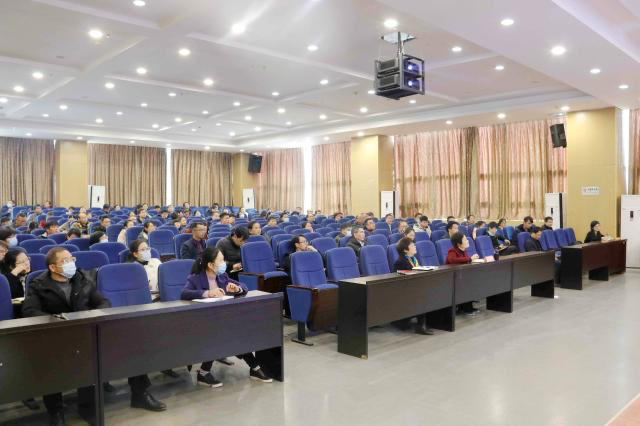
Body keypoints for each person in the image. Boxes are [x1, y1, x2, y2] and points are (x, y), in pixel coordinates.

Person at [23, 247, 166, 425]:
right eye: (65, 261)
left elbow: (103, 301)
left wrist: (94, 314)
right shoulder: (39, 285)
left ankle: (140, 394)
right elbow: (29, 310)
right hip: (58, 335)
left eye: (71, 259)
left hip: (88, 330)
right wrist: (56, 320)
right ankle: (56, 411)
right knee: (49, 362)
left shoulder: (82, 279)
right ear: (52, 267)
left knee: (132, 344)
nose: (71, 263)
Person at [181, 247, 272, 387]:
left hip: (222, 319)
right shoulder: (195, 278)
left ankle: (254, 368)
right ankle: (205, 373)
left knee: (236, 332)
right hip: (202, 320)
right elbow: (185, 293)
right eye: (221, 260)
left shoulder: (222, 277)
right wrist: (208, 293)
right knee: (220, 334)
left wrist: (237, 289)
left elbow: (244, 287)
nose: (224, 263)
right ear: (210, 264)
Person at [393, 237, 433, 335]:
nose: (415, 246)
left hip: (414, 286)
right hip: (404, 290)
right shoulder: (400, 262)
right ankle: (420, 326)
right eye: (412, 245)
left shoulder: (413, 259)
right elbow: (400, 281)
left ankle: (427, 322)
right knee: (421, 294)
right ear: (405, 249)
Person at [446, 232, 480, 315]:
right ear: (459, 243)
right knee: (466, 283)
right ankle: (466, 308)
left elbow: (465, 261)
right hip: (451, 276)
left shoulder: (464, 251)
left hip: (460, 275)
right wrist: (470, 258)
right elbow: (452, 260)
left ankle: (466, 307)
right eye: (465, 239)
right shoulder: (452, 251)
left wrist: (471, 259)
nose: (467, 241)